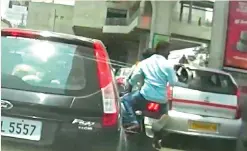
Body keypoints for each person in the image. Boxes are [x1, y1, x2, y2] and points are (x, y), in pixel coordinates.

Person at [121, 41, 178, 132]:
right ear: (162, 50)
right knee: (166, 113)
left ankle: (133, 122)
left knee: (125, 100)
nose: (169, 53)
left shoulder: (145, 63)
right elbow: (173, 82)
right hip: (161, 100)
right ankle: (160, 128)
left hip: (145, 96)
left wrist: (131, 83)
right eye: (168, 50)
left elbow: (134, 78)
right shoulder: (168, 65)